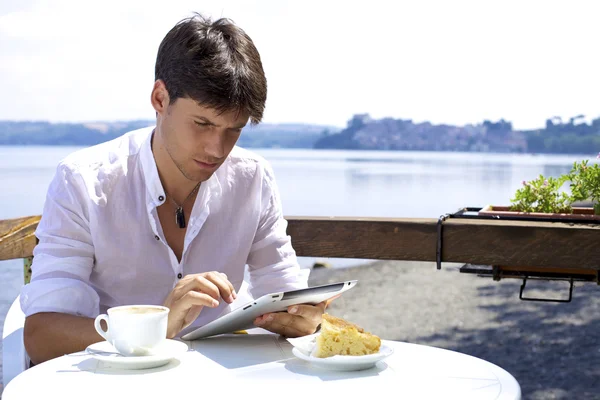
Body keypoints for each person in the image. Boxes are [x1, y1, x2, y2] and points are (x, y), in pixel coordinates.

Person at [22, 13, 330, 365]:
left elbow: (286, 294)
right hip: (112, 380)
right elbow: (41, 336)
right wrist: (155, 327)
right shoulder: (83, 181)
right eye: (202, 123)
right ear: (159, 99)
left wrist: (305, 318)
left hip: (218, 378)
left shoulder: (253, 178)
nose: (217, 149)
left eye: (234, 129)